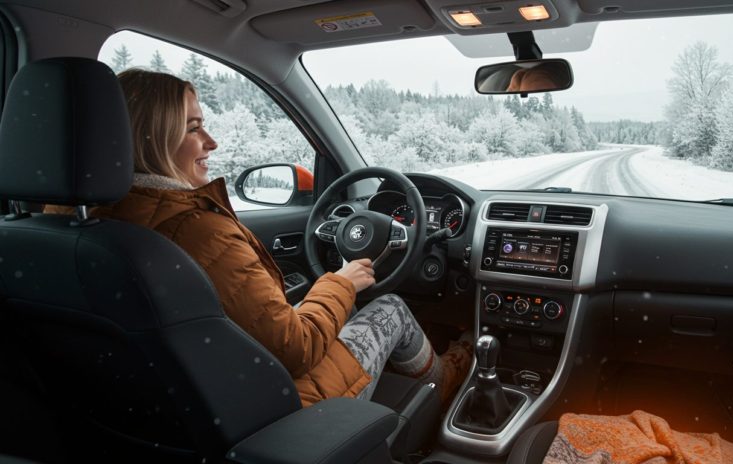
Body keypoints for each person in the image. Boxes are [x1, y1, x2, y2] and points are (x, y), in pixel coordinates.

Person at [45, 69, 471, 406]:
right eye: (194, 128)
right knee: (391, 308)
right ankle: (445, 383)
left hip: (174, 405)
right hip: (277, 411)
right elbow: (296, 350)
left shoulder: (57, 230)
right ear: (149, 137)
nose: (211, 142)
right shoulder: (196, 230)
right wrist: (341, 282)